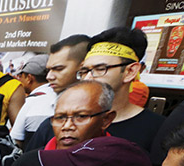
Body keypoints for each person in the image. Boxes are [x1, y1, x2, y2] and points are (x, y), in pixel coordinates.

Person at [29, 28, 165, 153]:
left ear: (130, 71)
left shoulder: (159, 129)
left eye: (100, 69)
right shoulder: (55, 125)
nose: (88, 78)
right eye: (84, 71)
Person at [6, 80, 116, 166]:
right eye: (60, 117)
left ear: (106, 120)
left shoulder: (122, 162)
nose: (67, 126)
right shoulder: (27, 165)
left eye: (81, 116)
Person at [10, 54, 57, 148]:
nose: (19, 80)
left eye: (21, 76)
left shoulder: (31, 102)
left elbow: (15, 140)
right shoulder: (65, 97)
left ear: (29, 78)